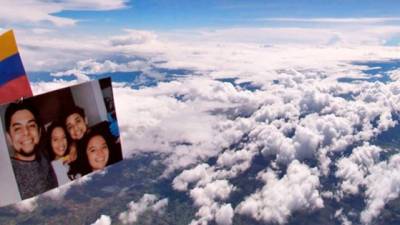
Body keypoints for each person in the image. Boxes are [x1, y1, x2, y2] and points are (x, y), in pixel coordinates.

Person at [5, 101, 58, 199]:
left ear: (39, 131)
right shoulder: (7, 175)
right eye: (17, 128)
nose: (26, 132)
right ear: (9, 138)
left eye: (31, 125)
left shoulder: (43, 155)